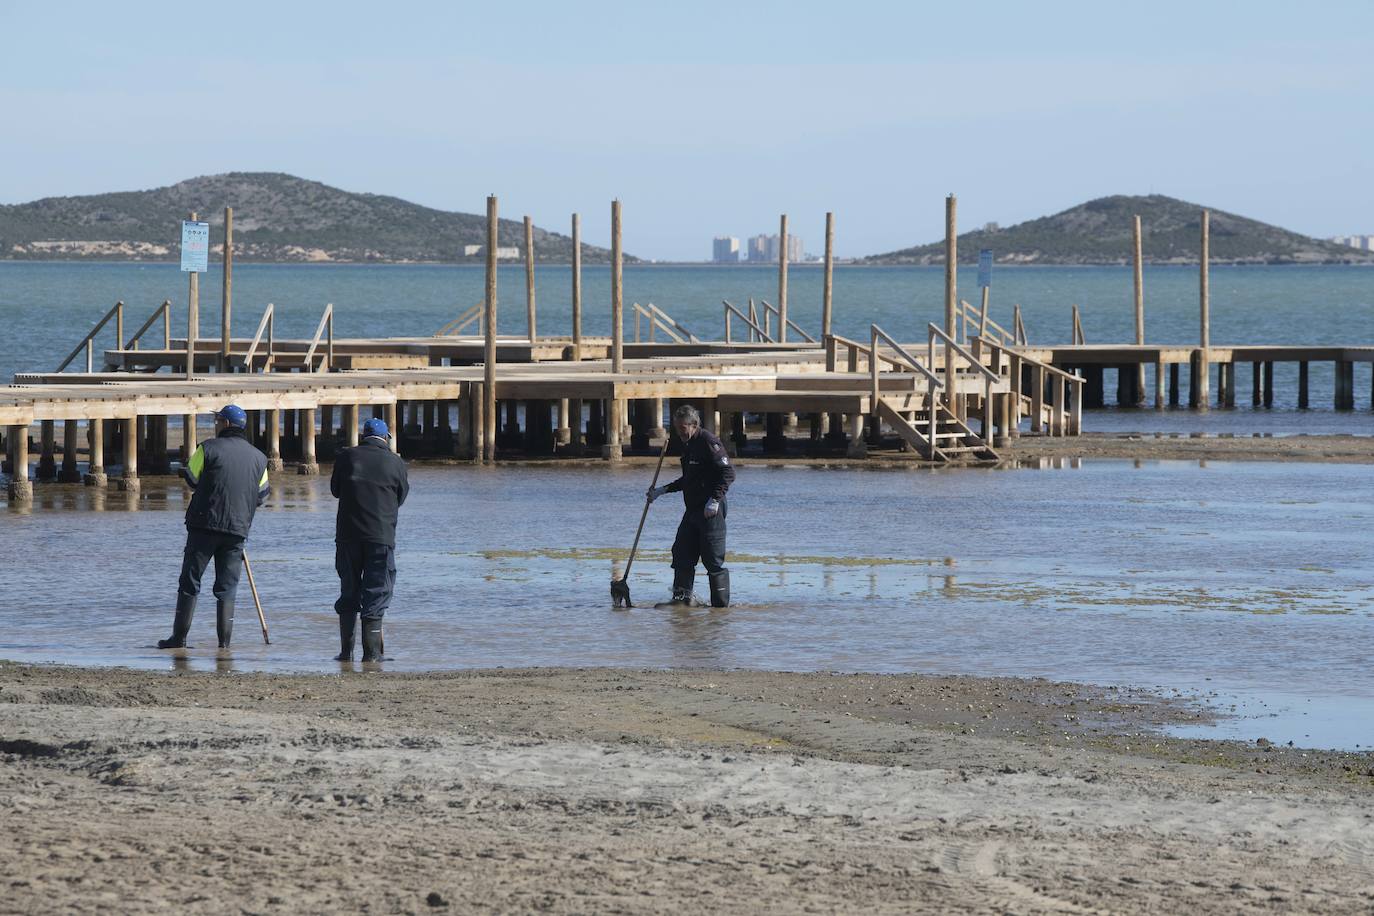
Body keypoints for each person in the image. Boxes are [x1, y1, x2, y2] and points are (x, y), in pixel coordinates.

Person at [158, 404, 270, 650]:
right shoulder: (259, 458)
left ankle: (179, 639)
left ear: (227, 424)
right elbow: (262, 495)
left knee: (190, 581)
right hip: (237, 529)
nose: (215, 424)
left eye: (217, 420)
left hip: (204, 526)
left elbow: (192, 479)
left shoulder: (207, 448)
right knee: (227, 587)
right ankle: (224, 644)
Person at [330, 416, 409, 661]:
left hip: (348, 536)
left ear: (364, 436)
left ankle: (345, 653)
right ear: (386, 439)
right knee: (376, 592)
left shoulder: (346, 457)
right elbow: (401, 497)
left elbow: (335, 491)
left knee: (349, 591)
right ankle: (372, 655)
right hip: (380, 537)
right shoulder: (396, 463)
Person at [646, 404, 736, 607]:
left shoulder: (708, 441)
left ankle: (720, 609)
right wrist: (662, 491)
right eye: (677, 428)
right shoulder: (688, 446)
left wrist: (714, 500)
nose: (680, 432)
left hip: (710, 510)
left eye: (683, 428)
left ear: (694, 425)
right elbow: (688, 479)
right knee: (682, 552)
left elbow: (728, 473)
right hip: (692, 510)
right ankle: (682, 601)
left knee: (712, 559)